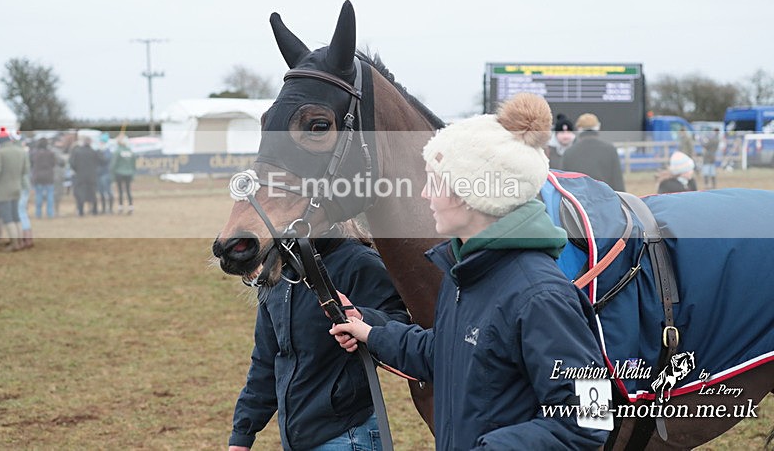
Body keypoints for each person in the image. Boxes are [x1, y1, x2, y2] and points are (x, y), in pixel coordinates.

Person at [331, 94, 610, 450]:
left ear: (472, 193)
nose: (425, 193)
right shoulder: (464, 275)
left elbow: (589, 419)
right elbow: (444, 350)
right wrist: (371, 332)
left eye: (435, 181)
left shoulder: (542, 297)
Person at [228, 220, 409, 451]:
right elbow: (267, 360)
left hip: (348, 435)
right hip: (298, 438)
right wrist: (242, 434)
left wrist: (362, 318)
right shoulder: (278, 272)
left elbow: (399, 325)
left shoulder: (358, 262)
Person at [561, 113, 625, 191]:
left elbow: (563, 184)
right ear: (598, 127)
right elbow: (618, 183)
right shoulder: (610, 150)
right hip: (605, 199)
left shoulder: (569, 153)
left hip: (578, 201)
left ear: (578, 128)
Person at [0, 128, 29, 251]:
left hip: (3, 189)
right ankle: (20, 242)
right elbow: (25, 170)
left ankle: (14, 244)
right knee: (16, 216)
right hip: (17, 187)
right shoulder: (21, 151)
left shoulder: (0, 153)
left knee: (8, 217)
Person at [69, 136, 100, 216]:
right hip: (91, 176)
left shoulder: (77, 152)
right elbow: (99, 162)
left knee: (81, 194)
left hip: (80, 175)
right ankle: (94, 210)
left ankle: (81, 211)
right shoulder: (93, 152)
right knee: (93, 193)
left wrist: (77, 170)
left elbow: (72, 163)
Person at [31, 138, 57, 218]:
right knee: (50, 196)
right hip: (49, 177)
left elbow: (31, 164)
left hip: (38, 177)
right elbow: (54, 164)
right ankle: (50, 213)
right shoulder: (51, 153)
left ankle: (38, 213)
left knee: (38, 196)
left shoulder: (34, 153)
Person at [110, 135, 136, 214]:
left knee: (120, 190)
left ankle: (120, 206)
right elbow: (133, 164)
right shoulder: (130, 151)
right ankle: (131, 206)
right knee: (128, 190)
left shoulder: (117, 151)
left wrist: (112, 175)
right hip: (128, 173)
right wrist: (132, 173)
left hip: (119, 173)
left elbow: (114, 164)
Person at [96, 133, 114, 214]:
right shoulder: (98, 151)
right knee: (101, 192)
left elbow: (105, 160)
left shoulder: (108, 152)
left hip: (106, 174)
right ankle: (103, 209)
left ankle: (110, 209)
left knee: (108, 191)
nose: (100, 144)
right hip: (99, 174)